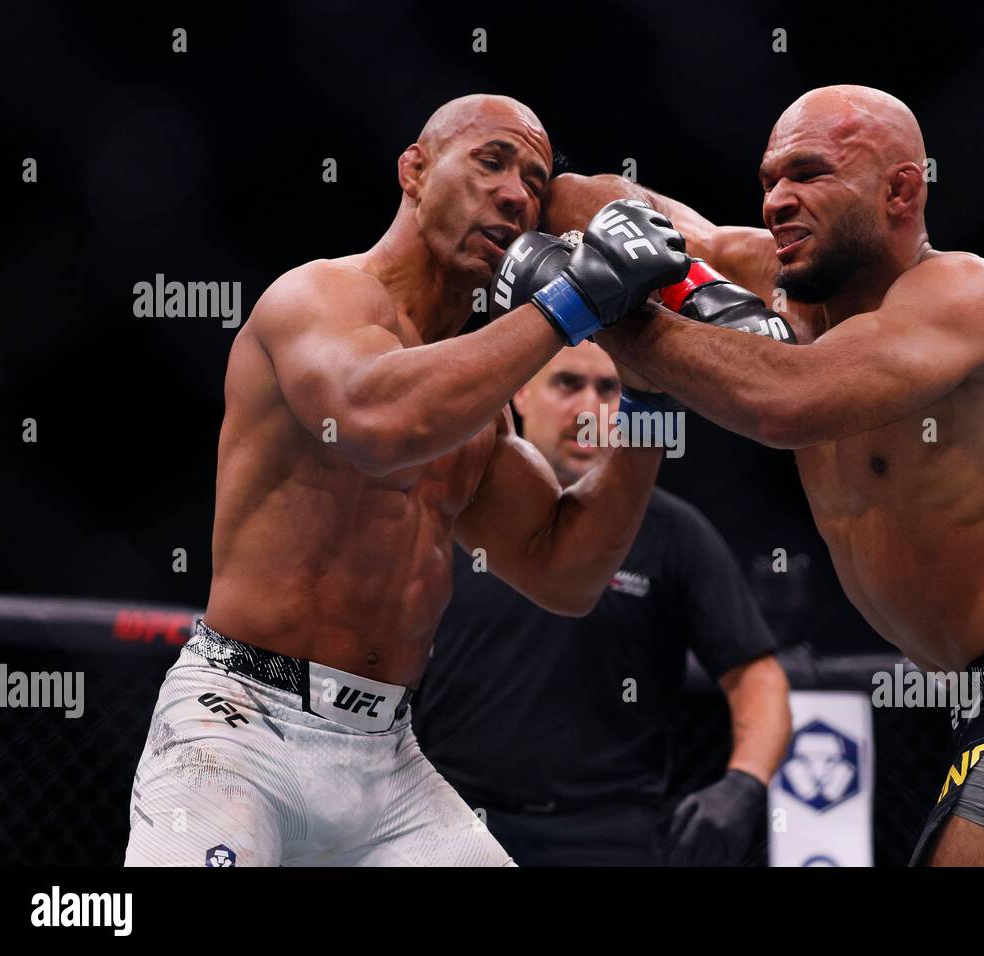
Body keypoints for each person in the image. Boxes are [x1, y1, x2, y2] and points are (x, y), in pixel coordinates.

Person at [529, 85, 984, 866]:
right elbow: (642, 211)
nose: (778, 201)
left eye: (808, 173)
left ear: (901, 188)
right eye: (768, 181)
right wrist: (524, 184)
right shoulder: (772, 284)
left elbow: (786, 400)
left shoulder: (961, 297)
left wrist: (597, 311)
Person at [123, 94, 691, 866]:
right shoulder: (317, 300)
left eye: (533, 180)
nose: (515, 194)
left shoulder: (477, 410)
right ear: (415, 171)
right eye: (490, 161)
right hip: (237, 726)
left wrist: (652, 394)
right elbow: (378, 424)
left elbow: (567, 572)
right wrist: (575, 302)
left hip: (385, 758)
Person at [412, 340, 791, 866]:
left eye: (609, 387)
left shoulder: (673, 532)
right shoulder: (450, 518)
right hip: (449, 817)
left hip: (611, 837)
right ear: (520, 391)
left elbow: (757, 676)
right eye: (568, 383)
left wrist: (744, 784)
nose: (589, 409)